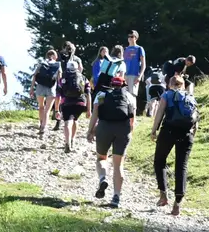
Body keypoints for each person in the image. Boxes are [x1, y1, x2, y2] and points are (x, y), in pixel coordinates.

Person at [86, 73, 135, 208]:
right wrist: (129, 132)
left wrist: (90, 130)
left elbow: (95, 114)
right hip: (123, 129)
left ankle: (103, 178)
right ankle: (116, 197)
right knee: (118, 165)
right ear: (123, 85)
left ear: (111, 84)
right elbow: (132, 118)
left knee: (101, 158)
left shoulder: (101, 95)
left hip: (104, 127)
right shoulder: (129, 97)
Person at [151, 75, 197, 216]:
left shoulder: (167, 95)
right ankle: (177, 204)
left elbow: (159, 113)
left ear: (169, 84)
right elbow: (196, 118)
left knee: (159, 161)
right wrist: (193, 133)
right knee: (181, 166)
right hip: (187, 133)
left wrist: (154, 130)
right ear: (183, 85)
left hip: (168, 131)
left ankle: (163, 195)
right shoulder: (190, 96)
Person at [56, 43, 88, 153]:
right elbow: (88, 92)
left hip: (67, 102)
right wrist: (89, 109)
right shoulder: (83, 78)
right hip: (80, 103)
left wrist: (57, 109)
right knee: (75, 120)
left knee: (67, 122)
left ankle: (67, 142)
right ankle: (73, 139)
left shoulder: (63, 78)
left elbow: (58, 94)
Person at [30, 48, 61, 142]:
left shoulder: (41, 63)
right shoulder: (57, 64)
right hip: (51, 88)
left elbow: (35, 75)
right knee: (47, 110)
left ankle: (41, 124)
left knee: (41, 107)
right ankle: (43, 128)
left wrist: (32, 88)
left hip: (40, 87)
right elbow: (60, 78)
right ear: (54, 56)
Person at [124, 30, 147, 113]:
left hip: (134, 75)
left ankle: (132, 115)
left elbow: (144, 64)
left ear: (136, 38)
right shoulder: (125, 49)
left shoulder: (139, 48)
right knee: (125, 95)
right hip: (125, 75)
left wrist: (140, 76)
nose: (130, 38)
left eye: (132, 36)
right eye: (129, 36)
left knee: (132, 95)